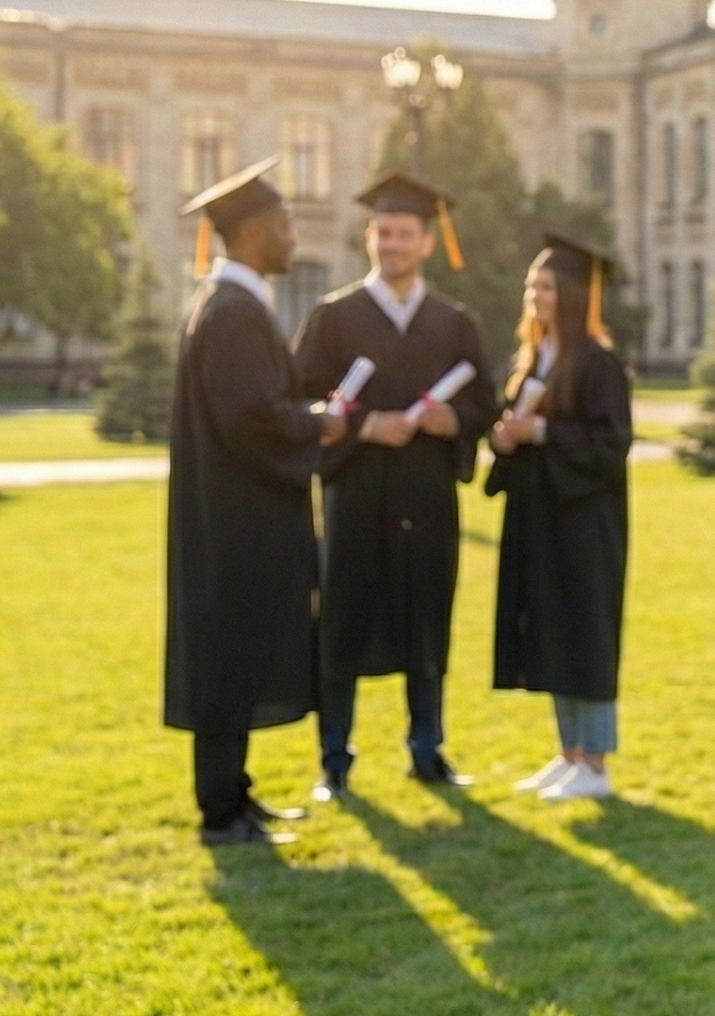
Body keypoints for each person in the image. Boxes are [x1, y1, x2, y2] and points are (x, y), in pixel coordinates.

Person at [292, 173, 499, 799]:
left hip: (428, 498)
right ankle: (334, 759)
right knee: (342, 625)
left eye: (405, 234)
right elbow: (301, 403)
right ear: (368, 237)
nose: (393, 245)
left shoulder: (453, 323)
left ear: (427, 243)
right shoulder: (335, 316)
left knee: (427, 620)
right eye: (384, 233)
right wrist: (362, 429)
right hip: (355, 500)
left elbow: (484, 405)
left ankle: (427, 749)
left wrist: (453, 420)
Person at [165, 159, 345, 845]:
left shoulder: (228, 305)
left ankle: (234, 794)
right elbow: (252, 421)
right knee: (227, 658)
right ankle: (221, 811)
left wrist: (297, 416)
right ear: (252, 232)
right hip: (236, 522)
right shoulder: (234, 314)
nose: (294, 238)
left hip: (231, 516)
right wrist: (317, 423)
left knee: (233, 656)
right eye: (285, 225)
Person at [487, 233, 634, 803]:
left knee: (585, 634)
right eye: (531, 285)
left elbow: (610, 444)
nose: (535, 295)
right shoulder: (533, 360)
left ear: (571, 294)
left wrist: (541, 431)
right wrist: (505, 439)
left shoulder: (599, 363)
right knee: (551, 631)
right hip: (541, 519)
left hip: (585, 525)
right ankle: (569, 754)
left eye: (546, 286)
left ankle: (595, 764)